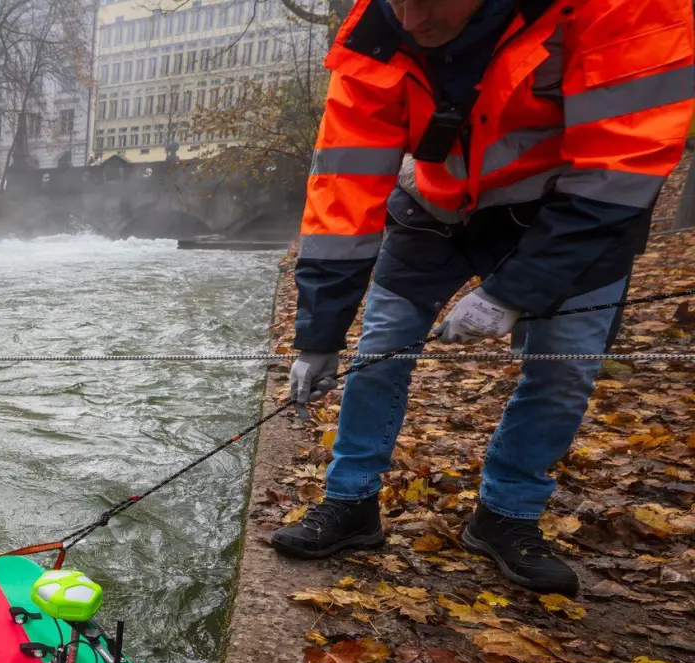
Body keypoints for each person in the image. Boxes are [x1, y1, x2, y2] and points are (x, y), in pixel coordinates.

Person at [269, 0, 694, 597]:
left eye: (429, 1)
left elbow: (621, 167)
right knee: (382, 346)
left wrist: (513, 292)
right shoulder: (371, 39)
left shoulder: (621, 9)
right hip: (434, 207)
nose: (412, 21)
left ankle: (508, 515)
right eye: (399, 1)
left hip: (576, 214)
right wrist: (318, 338)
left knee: (563, 367)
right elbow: (342, 194)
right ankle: (350, 502)